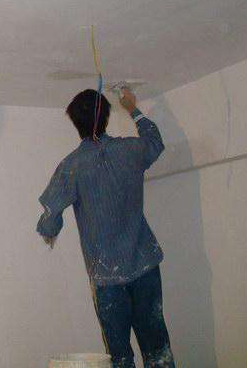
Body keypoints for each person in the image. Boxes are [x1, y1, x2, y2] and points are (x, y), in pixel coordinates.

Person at [37, 88, 175, 367]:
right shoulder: (130, 150)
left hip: (107, 278)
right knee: (157, 347)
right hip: (145, 264)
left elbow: (50, 214)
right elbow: (155, 141)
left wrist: (49, 231)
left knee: (119, 356)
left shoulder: (71, 167)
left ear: (76, 123)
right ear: (107, 117)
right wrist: (132, 108)